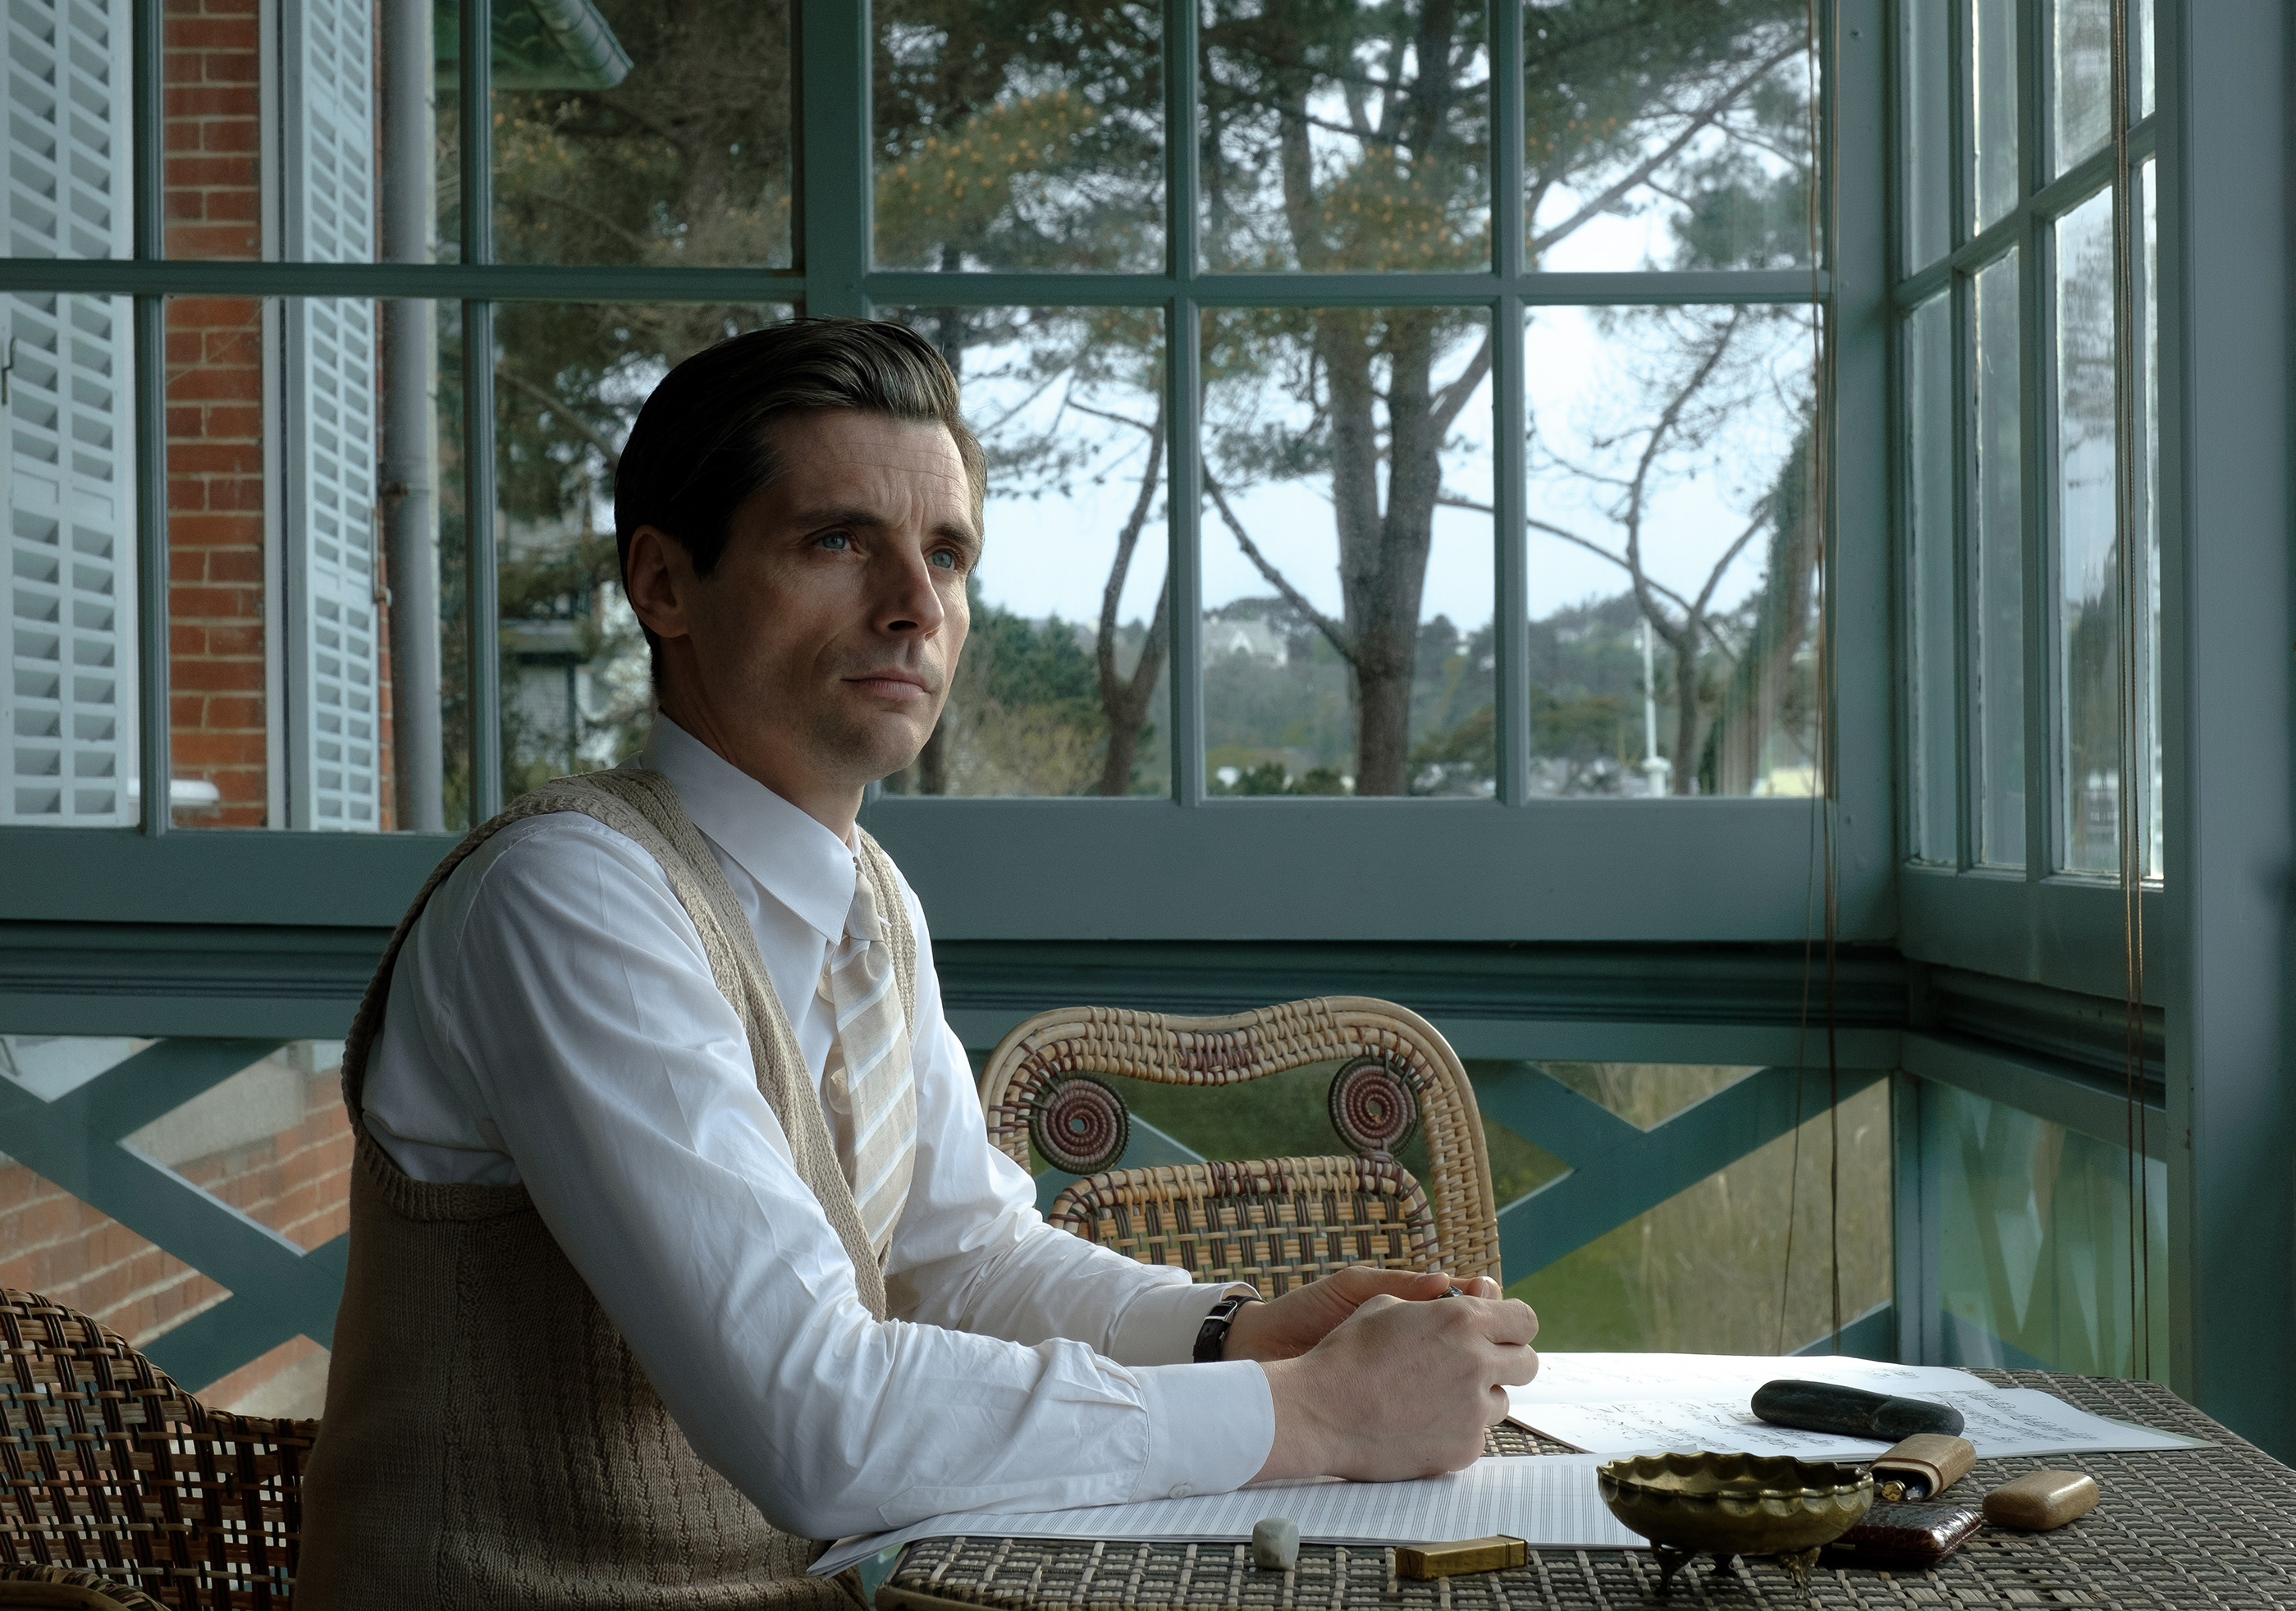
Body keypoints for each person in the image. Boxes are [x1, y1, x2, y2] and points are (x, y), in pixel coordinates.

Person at [296, 318, 1539, 1611]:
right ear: (663, 584)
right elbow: (816, 1423)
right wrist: (1311, 1414)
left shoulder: (870, 900)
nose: (915, 605)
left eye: (946, 553)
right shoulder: (570, 897)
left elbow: (966, 1259)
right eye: (838, 541)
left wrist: (1229, 1335)